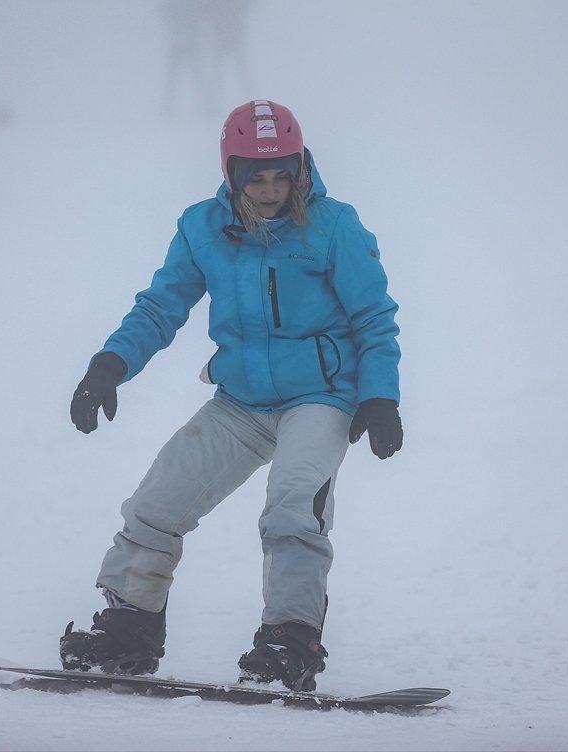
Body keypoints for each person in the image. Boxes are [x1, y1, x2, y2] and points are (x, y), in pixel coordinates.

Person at [60, 100, 404, 692]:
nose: (270, 192)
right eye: (256, 179)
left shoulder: (334, 227)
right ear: (232, 174)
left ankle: (289, 642)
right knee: (157, 502)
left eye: (282, 177)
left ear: (299, 170)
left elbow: (373, 318)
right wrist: (109, 365)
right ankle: (128, 629)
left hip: (321, 398)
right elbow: (160, 307)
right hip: (240, 403)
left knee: (293, 510)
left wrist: (380, 397)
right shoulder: (202, 228)